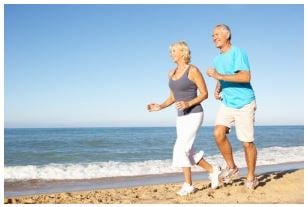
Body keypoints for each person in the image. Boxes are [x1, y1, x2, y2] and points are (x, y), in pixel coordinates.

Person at [147, 41, 221, 196]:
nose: (171, 53)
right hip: (181, 116)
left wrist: (188, 103)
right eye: (171, 51)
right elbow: (173, 97)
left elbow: (204, 93)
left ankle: (188, 185)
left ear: (183, 52)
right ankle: (213, 170)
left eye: (174, 51)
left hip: (194, 113)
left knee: (180, 148)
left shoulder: (192, 70)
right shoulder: (171, 73)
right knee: (187, 150)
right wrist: (159, 106)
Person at [206, 24, 258, 189]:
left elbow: (246, 76)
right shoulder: (216, 59)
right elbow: (221, 79)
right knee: (218, 133)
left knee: (247, 142)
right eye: (212, 35)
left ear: (227, 35)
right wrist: (217, 88)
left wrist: (218, 75)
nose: (214, 37)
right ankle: (232, 167)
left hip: (244, 103)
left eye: (217, 34)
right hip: (227, 103)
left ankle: (251, 177)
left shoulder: (238, 52)